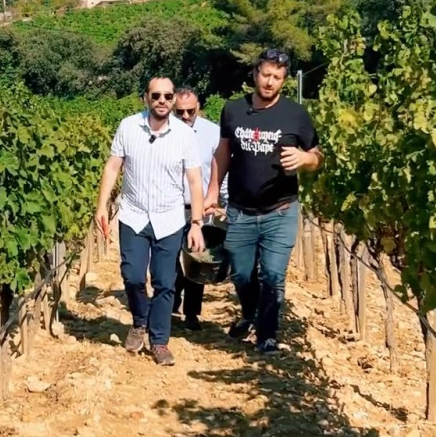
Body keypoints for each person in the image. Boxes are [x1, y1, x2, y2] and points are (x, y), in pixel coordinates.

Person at [204, 49, 323, 354]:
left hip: (280, 211)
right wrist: (211, 192)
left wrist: (305, 158)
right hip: (240, 211)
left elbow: (318, 156)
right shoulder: (233, 110)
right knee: (242, 274)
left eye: (277, 78)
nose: (270, 82)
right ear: (255, 73)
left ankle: (267, 335)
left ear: (283, 81)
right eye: (266, 75)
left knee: (272, 274)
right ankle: (249, 314)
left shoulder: (296, 115)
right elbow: (223, 153)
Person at [95, 77, 206, 366]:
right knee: (132, 276)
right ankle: (139, 321)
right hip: (133, 215)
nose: (162, 101)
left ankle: (159, 341)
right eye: (156, 95)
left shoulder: (184, 135)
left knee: (165, 281)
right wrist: (102, 206)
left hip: (169, 219)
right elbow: (113, 167)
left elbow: (195, 181)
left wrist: (196, 222)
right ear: (145, 97)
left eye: (168, 96)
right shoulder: (128, 127)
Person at [170, 87, 220, 331]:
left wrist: (220, 200)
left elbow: (220, 170)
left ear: (199, 106)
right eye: (181, 112)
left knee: (196, 261)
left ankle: (191, 313)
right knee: (168, 260)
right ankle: (170, 303)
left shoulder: (212, 133)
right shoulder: (163, 130)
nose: (186, 116)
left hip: (198, 207)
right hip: (168, 207)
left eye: (191, 111)